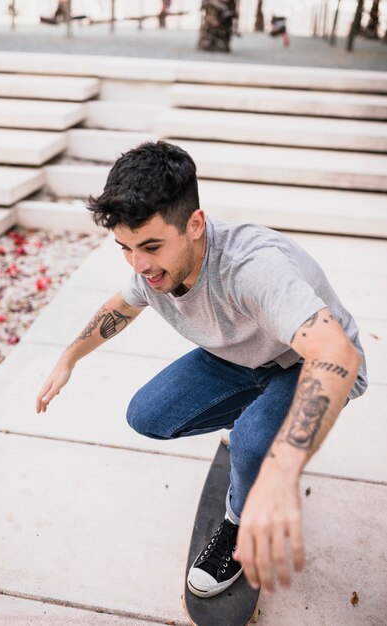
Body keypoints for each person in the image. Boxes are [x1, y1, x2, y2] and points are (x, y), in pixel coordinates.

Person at [36, 141, 367, 598]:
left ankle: (238, 519)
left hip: (302, 364)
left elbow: (337, 356)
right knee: (148, 415)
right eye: (125, 248)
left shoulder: (252, 266)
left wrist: (281, 472)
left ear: (195, 224)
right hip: (240, 361)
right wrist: (68, 357)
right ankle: (256, 417)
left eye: (150, 246)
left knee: (253, 445)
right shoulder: (151, 266)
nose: (140, 265)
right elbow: (122, 305)